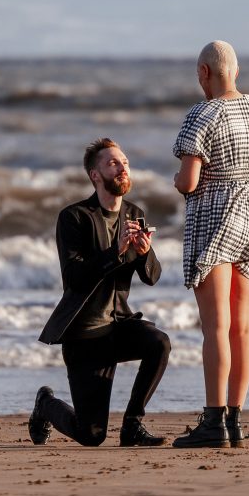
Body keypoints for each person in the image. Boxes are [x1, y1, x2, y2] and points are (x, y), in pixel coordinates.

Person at [171, 40, 249, 448]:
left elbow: (189, 182)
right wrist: (247, 175)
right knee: (243, 327)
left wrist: (181, 182)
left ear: (204, 73)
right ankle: (237, 420)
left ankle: (213, 422)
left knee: (216, 328)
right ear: (236, 72)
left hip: (214, 218)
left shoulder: (201, 114)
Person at [28, 138, 170, 447]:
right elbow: (75, 278)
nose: (123, 168)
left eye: (125, 162)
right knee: (91, 435)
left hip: (118, 328)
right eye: (113, 163)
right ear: (95, 175)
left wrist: (145, 253)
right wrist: (115, 252)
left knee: (159, 343)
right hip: (85, 337)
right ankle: (45, 405)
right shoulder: (74, 218)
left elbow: (153, 277)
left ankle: (133, 425)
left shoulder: (134, 213)